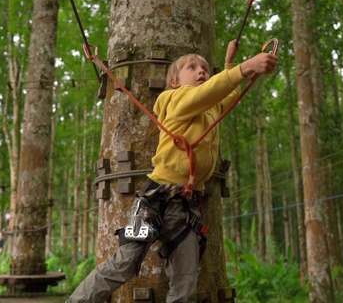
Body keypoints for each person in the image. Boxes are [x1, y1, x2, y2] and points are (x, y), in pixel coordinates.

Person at [66, 40, 278, 303]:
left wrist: (230, 64)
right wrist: (244, 68)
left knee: (186, 279)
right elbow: (203, 94)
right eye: (192, 67)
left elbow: (225, 95)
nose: (201, 71)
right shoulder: (172, 99)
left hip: (186, 207)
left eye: (204, 68)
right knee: (125, 263)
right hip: (155, 201)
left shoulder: (209, 108)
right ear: (175, 81)